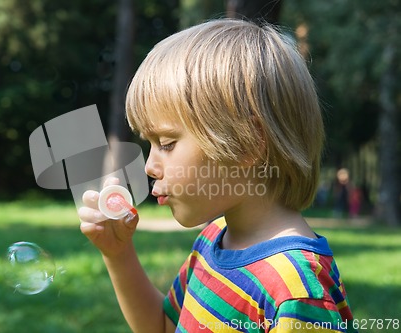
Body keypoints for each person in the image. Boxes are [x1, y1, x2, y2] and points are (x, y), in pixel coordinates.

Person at [78, 19, 357, 332]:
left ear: (246, 143)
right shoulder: (214, 239)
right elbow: (163, 326)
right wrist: (118, 254)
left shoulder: (295, 290)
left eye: (167, 144)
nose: (149, 166)